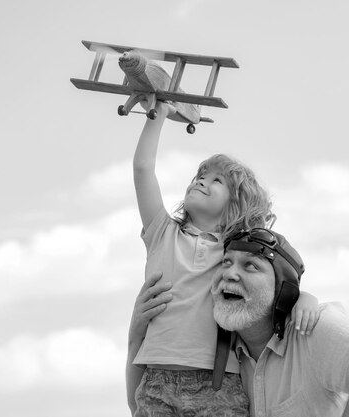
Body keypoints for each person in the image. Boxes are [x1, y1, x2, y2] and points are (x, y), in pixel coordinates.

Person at [128, 103, 321, 416]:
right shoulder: (162, 234)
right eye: (201, 175)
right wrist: (157, 114)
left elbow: (279, 281)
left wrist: (306, 299)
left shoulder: (237, 253)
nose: (201, 180)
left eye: (216, 181)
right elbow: (142, 170)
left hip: (218, 384)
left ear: (237, 204)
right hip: (156, 382)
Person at [132, 228, 349, 417]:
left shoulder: (312, 328)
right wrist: (136, 334)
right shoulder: (223, 351)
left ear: (282, 290)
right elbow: (142, 401)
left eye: (250, 266)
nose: (230, 274)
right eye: (226, 262)